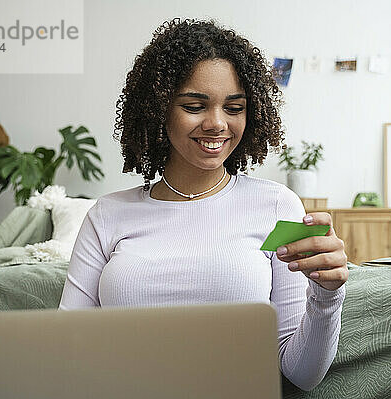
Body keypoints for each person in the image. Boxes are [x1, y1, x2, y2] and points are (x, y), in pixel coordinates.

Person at [59, 18, 348, 392]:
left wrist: (327, 295)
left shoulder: (277, 205)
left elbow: (301, 373)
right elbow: (70, 349)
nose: (217, 124)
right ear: (159, 109)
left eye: (234, 107)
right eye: (195, 106)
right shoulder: (106, 215)